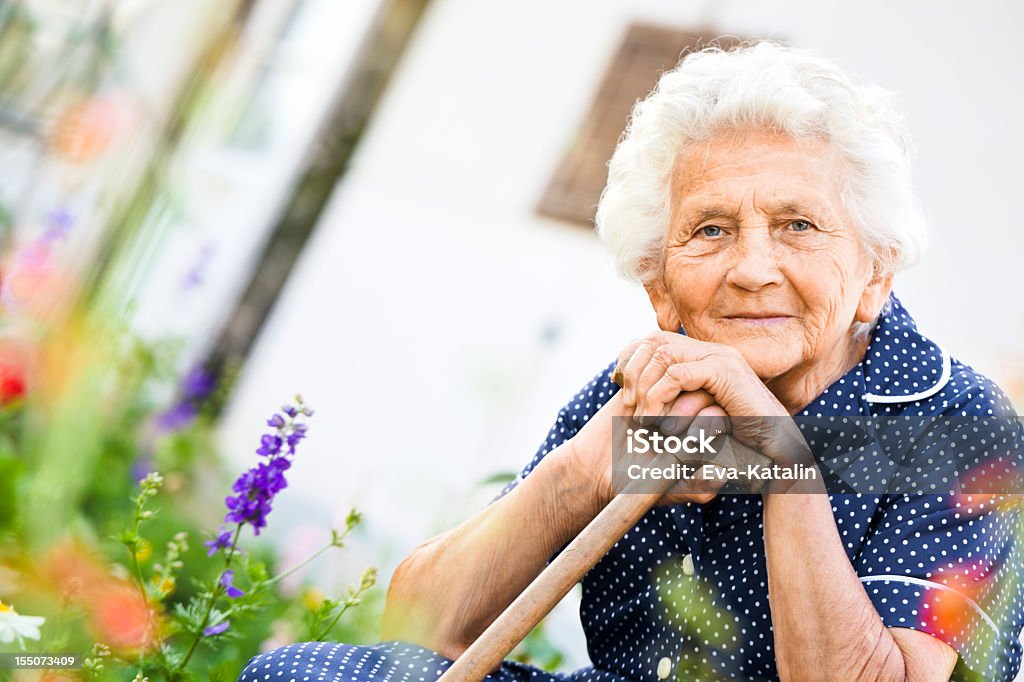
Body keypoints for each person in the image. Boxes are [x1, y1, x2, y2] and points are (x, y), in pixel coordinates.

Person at [239, 41, 1024, 681]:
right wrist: (589, 467)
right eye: (710, 230)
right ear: (660, 288)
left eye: (798, 226)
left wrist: (782, 460)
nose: (751, 268)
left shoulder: (956, 424)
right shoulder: (649, 396)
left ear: (875, 275)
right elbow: (426, 628)